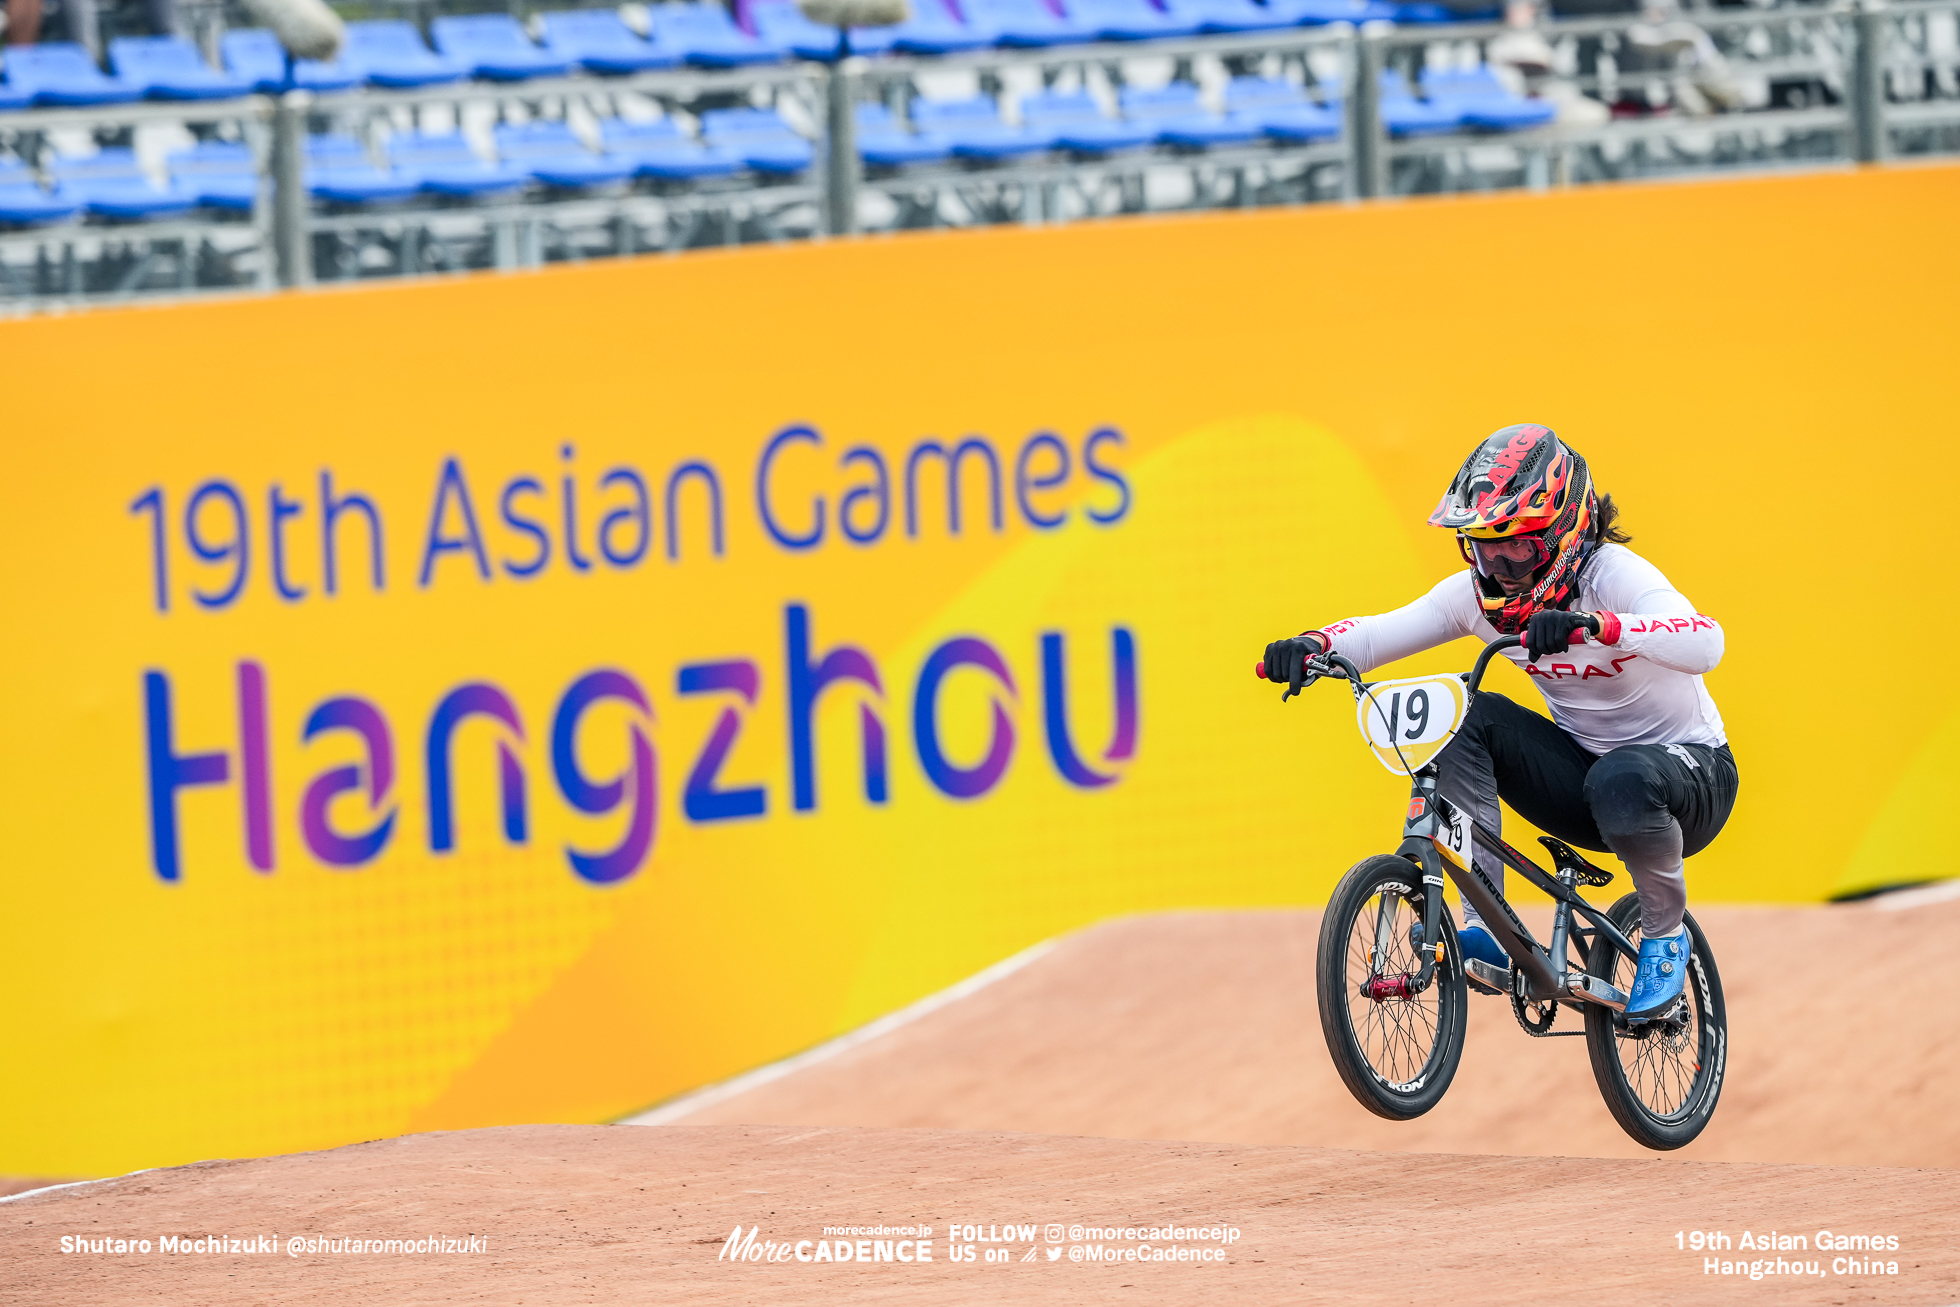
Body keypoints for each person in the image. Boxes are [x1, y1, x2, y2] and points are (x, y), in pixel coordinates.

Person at [1261, 424, 1737, 1019]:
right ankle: (1485, 921)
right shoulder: (1476, 596)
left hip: (1692, 780)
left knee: (1619, 778)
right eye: (1483, 545)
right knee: (1465, 713)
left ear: (1566, 530)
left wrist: (1601, 626)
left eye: (1518, 544)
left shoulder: (1613, 575)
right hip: (1585, 784)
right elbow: (1383, 631)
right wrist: (1310, 646)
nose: (1500, 564)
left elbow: (1706, 643)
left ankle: (1665, 937)